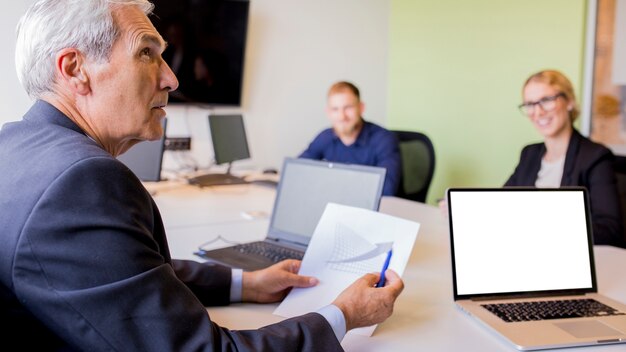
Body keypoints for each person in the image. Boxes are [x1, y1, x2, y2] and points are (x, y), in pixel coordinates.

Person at [0, 1, 404, 351]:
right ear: (75, 69)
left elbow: (130, 272)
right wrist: (343, 315)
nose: (171, 79)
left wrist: (246, 283)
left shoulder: (13, 145)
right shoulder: (84, 181)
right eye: (146, 52)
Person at [505, 69, 624, 247]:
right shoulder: (529, 154)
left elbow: (609, 229)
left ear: (569, 102)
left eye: (546, 100)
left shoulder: (595, 157)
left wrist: (542, 228)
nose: (538, 112)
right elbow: (501, 202)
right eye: (529, 104)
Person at [299, 81, 402, 196]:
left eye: (348, 107)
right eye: (335, 109)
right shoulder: (325, 137)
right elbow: (299, 169)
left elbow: (387, 189)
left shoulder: (383, 139)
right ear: (328, 112)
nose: (342, 116)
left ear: (361, 108)